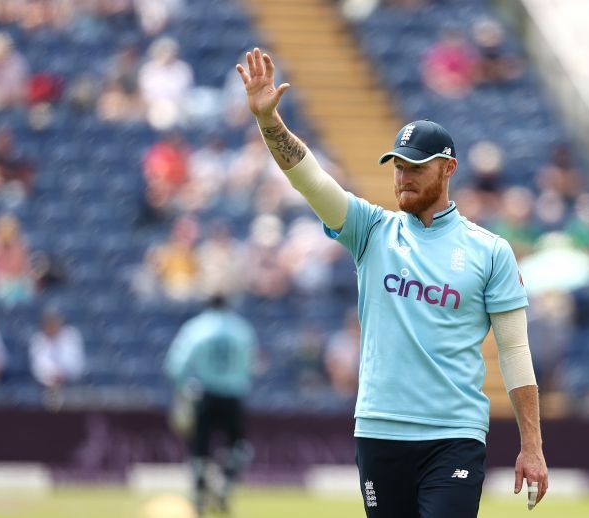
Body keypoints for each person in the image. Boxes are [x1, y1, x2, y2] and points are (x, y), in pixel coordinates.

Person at [236, 49, 548, 516]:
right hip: (380, 431)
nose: (402, 177)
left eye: (416, 167)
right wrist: (268, 121)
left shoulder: (491, 252)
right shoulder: (371, 230)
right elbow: (310, 179)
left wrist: (532, 446)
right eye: (398, 165)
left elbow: (515, 353)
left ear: (448, 170)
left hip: (454, 435)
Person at [164, 295, 259, 516]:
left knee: (199, 450)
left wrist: (184, 389)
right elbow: (252, 365)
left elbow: (175, 365)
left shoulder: (197, 327)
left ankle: (199, 496)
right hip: (233, 396)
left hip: (205, 395)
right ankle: (225, 484)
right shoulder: (241, 328)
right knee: (239, 448)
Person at [29, 308, 85, 388]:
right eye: (48, 323)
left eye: (54, 323)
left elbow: (76, 366)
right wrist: (52, 375)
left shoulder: (71, 335)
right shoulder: (38, 339)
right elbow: (38, 367)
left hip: (70, 383)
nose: (51, 326)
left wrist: (62, 374)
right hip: (44, 385)